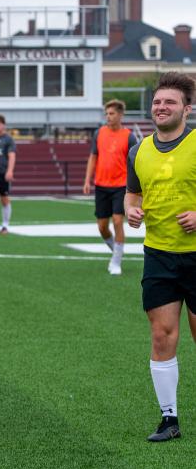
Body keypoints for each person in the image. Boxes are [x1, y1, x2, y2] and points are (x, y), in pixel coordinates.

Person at [125, 72, 196, 442]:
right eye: (157, 102)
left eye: (169, 102)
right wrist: (131, 211)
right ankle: (169, 420)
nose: (161, 107)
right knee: (161, 334)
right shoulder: (139, 150)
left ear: (187, 108)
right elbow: (132, 195)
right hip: (159, 256)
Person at [83, 100, 137, 275]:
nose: (108, 117)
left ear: (120, 115)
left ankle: (116, 262)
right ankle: (116, 249)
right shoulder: (99, 133)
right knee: (102, 226)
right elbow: (93, 157)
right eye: (106, 113)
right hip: (101, 185)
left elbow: (135, 162)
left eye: (112, 113)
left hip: (121, 186)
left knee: (118, 220)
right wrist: (87, 180)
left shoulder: (129, 136)